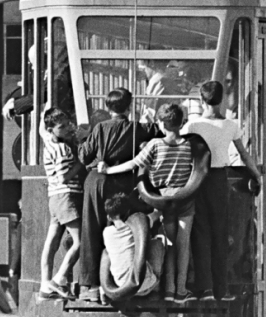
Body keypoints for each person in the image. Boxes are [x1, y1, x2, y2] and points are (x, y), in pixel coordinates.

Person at [99, 103, 196, 304]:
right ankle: (181, 289)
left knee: (168, 244)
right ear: (181, 123)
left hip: (162, 199)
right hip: (185, 199)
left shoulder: (155, 144)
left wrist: (108, 171)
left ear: (161, 123)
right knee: (183, 244)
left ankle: (168, 291)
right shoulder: (189, 145)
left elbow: (134, 164)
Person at [182, 80, 262, 301]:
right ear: (222, 99)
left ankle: (204, 288)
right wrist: (255, 174)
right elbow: (244, 154)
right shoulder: (231, 125)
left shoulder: (192, 126)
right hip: (220, 179)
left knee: (200, 233)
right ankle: (221, 289)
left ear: (201, 100)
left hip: (197, 179)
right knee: (220, 233)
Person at [76, 88, 157, 302]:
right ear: (130, 107)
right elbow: (159, 132)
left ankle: (90, 286)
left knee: (91, 229)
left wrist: (83, 140)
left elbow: (84, 156)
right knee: (121, 230)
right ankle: (119, 280)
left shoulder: (100, 128)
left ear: (107, 107)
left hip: (96, 183)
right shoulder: (137, 128)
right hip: (121, 182)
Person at [38, 108, 83, 300]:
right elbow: (65, 176)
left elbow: (41, 129)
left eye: (67, 125)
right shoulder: (62, 149)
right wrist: (82, 162)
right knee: (80, 241)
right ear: (52, 129)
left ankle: (45, 283)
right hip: (67, 196)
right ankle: (59, 278)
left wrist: (42, 115)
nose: (66, 129)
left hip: (54, 198)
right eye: (61, 127)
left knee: (52, 242)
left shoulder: (49, 143)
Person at [102, 193, 163, 297]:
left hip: (121, 287)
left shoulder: (107, 232)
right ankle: (157, 286)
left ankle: (102, 290)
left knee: (108, 252)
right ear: (128, 212)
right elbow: (157, 213)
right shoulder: (140, 224)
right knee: (157, 244)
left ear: (108, 217)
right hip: (146, 286)